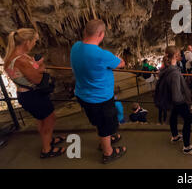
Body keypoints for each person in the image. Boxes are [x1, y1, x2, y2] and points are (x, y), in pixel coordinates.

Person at [4, 28, 66, 159]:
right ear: (27, 42)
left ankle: (48, 141)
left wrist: (35, 65)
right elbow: (37, 79)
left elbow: (28, 72)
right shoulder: (21, 60)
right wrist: (42, 67)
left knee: (41, 119)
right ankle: (47, 149)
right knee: (49, 120)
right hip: (33, 96)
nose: (34, 44)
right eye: (34, 41)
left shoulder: (12, 57)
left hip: (27, 95)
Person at [71, 20, 126, 164]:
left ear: (85, 32)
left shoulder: (76, 47)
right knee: (104, 125)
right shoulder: (102, 55)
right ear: (101, 34)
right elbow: (121, 63)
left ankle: (106, 140)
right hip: (100, 99)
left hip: (83, 95)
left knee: (99, 122)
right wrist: (117, 58)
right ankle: (108, 152)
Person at [157, 46, 192, 155]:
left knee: (173, 115)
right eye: (179, 54)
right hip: (178, 100)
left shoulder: (166, 68)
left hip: (171, 98)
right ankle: (187, 146)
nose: (181, 55)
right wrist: (184, 102)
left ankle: (175, 136)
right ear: (176, 56)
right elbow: (176, 94)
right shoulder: (175, 73)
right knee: (188, 119)